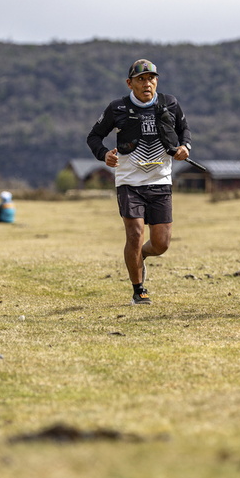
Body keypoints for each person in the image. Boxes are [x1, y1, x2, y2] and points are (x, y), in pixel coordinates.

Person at [86, 59, 193, 305]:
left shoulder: (170, 103)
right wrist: (104, 154)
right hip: (129, 182)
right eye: (141, 79)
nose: (147, 84)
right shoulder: (117, 108)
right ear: (130, 83)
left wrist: (185, 147)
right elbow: (94, 136)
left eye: (151, 78)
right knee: (134, 234)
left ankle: (141, 255)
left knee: (161, 244)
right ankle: (139, 290)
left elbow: (184, 130)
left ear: (157, 81)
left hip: (160, 181)